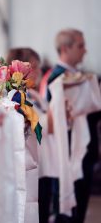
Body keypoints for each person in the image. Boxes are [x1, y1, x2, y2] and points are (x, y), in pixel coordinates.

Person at [46, 28, 101, 223]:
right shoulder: (57, 78)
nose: (85, 50)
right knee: (69, 209)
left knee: (80, 207)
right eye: (80, 45)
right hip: (70, 152)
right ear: (65, 49)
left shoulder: (79, 76)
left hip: (84, 148)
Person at [6, 47, 55, 223]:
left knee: (44, 210)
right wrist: (57, 116)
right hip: (29, 165)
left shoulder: (34, 94)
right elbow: (40, 124)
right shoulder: (12, 98)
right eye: (33, 66)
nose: (39, 71)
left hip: (45, 162)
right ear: (18, 70)